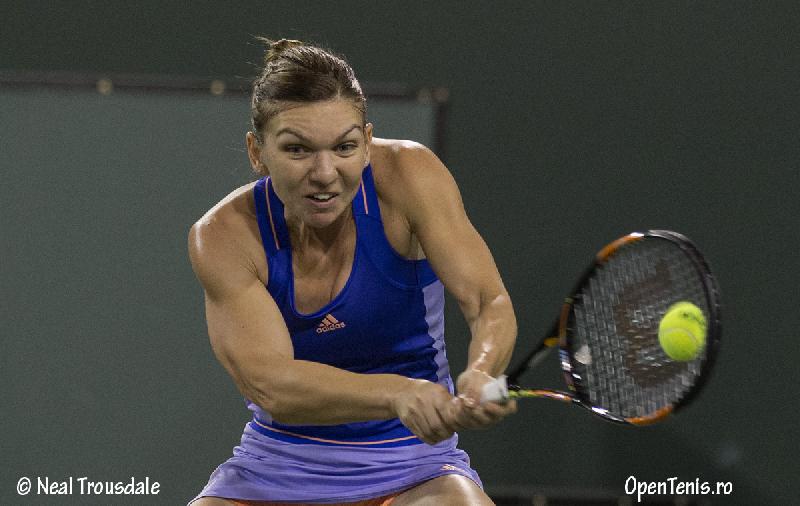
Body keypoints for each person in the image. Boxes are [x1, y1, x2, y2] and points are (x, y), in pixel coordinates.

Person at [187, 38, 517, 506]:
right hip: (276, 467)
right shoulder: (222, 236)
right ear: (256, 152)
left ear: (366, 143)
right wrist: (397, 394)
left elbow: (487, 302)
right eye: (298, 149)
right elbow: (272, 386)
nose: (325, 173)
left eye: (344, 147)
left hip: (416, 469)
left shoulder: (410, 175)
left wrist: (483, 371)